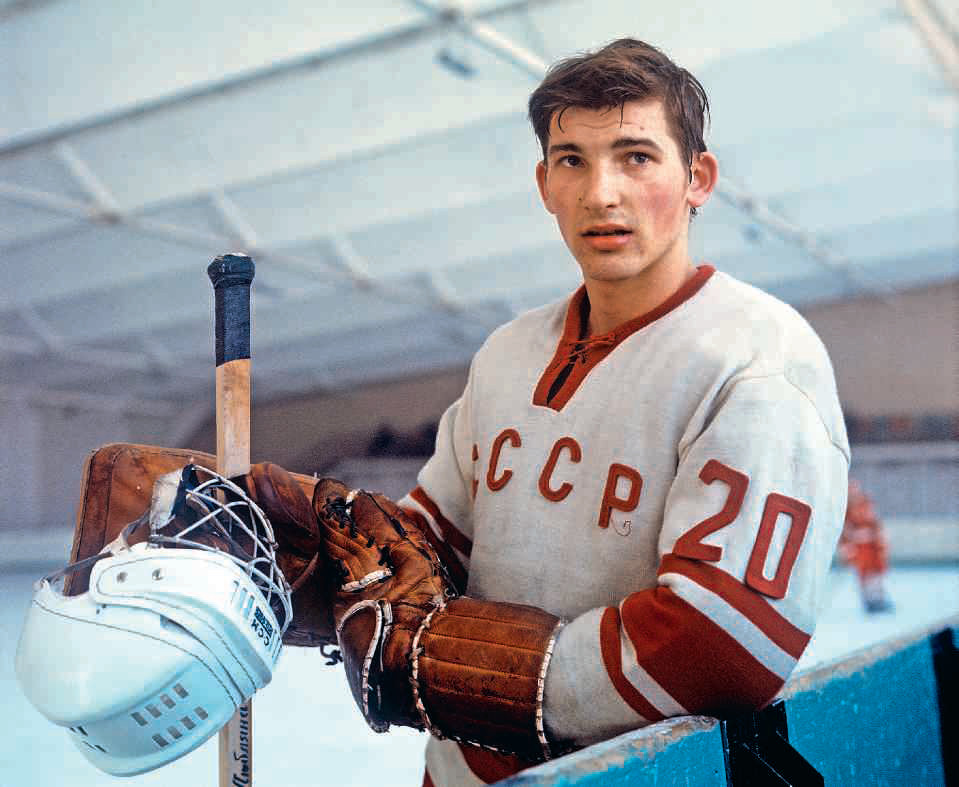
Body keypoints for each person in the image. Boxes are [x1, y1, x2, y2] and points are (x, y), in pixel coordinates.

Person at [252, 37, 852, 785]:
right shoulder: (507, 351)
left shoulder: (759, 359)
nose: (600, 193)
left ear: (697, 178)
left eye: (636, 157)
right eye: (572, 160)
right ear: (544, 184)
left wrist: (485, 678)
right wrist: (276, 565)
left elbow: (722, 647)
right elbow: (428, 550)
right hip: (457, 773)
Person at [840, 480, 893, 613]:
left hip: (872, 548)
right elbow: (846, 533)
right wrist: (847, 549)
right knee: (864, 576)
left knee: (877, 575)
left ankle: (880, 599)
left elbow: (876, 524)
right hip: (860, 550)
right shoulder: (845, 510)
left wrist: (880, 540)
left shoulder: (867, 504)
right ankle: (869, 601)